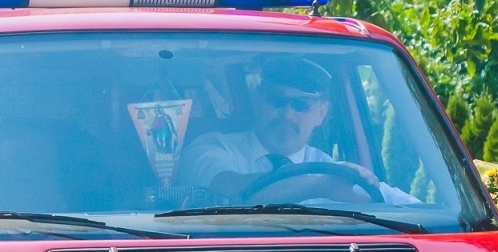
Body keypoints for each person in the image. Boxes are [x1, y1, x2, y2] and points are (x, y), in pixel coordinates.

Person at [177, 55, 419, 205]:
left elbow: (405, 208)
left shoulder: (329, 170)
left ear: (321, 113)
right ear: (256, 100)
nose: (287, 114)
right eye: (276, 100)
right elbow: (227, 188)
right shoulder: (212, 148)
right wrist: (318, 185)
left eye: (301, 104)